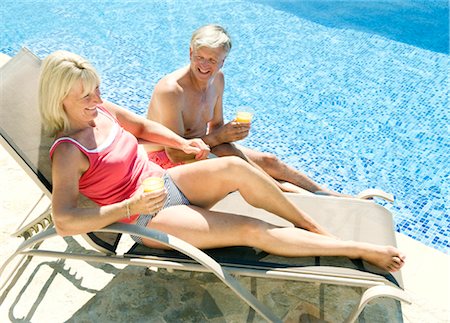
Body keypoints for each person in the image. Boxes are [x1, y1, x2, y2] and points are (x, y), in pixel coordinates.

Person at [40, 50, 405, 273]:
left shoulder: (102, 110)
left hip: (168, 181)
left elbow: (140, 126)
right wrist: (129, 205)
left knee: (236, 167)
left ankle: (313, 228)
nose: (96, 99)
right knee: (250, 229)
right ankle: (358, 250)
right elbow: (65, 220)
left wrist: (183, 141)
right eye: (85, 95)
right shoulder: (69, 151)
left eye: (97, 89)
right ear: (60, 100)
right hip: (147, 215)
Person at [146, 24, 349, 196]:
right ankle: (284, 194)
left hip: (201, 149)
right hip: (164, 162)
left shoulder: (217, 80)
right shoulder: (172, 90)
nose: (205, 65)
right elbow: (174, 152)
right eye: (200, 57)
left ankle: (328, 195)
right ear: (191, 52)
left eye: (212, 60)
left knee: (270, 161)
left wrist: (231, 132)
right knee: (232, 155)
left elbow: (215, 127)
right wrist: (220, 138)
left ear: (223, 61)